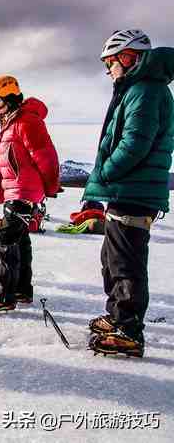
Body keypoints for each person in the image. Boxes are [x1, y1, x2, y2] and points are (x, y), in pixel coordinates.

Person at [84, 30, 174, 357]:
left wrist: (105, 172)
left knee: (127, 263)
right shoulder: (134, 90)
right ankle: (117, 315)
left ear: (128, 56)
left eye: (111, 62)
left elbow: (135, 143)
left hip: (133, 189)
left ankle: (129, 330)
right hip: (126, 188)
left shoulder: (146, 91)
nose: (109, 70)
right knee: (112, 259)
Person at [0, 75, 59, 313]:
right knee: (21, 242)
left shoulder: (26, 122)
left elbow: (46, 157)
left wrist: (50, 186)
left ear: (12, 98)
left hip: (24, 191)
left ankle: (4, 296)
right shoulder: (11, 122)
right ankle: (22, 289)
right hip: (18, 190)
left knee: (6, 242)